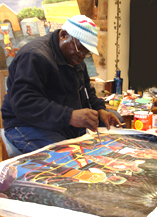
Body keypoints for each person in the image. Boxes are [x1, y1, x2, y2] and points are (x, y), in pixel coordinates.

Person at [1, 15, 124, 155]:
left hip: (62, 122)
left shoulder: (75, 58)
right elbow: (24, 104)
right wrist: (70, 116)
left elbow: (86, 91)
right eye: (80, 50)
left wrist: (100, 110)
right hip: (26, 123)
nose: (82, 56)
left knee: (115, 121)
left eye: (86, 53)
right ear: (64, 35)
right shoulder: (34, 56)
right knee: (68, 156)